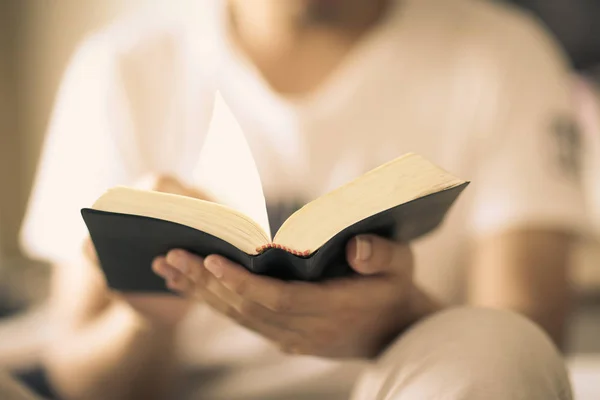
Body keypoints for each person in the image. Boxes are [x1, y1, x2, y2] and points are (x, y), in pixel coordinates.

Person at [18, 0, 587, 399]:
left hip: (401, 385)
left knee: (498, 343)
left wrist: (400, 320)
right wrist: (146, 321)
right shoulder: (125, 64)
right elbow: (78, 379)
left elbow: (531, 347)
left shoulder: (502, 51)